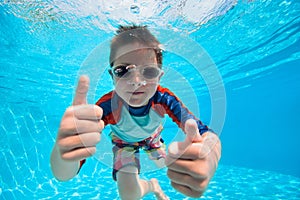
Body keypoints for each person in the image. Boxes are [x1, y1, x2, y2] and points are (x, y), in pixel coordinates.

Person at [50, 25, 221, 200]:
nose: (136, 81)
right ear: (112, 76)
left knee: (169, 165)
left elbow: (204, 132)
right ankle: (152, 186)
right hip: (124, 143)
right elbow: (63, 175)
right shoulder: (107, 106)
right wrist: (63, 152)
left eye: (148, 71)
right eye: (122, 71)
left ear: (159, 77)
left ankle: (156, 179)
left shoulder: (164, 99)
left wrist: (210, 155)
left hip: (152, 138)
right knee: (129, 195)